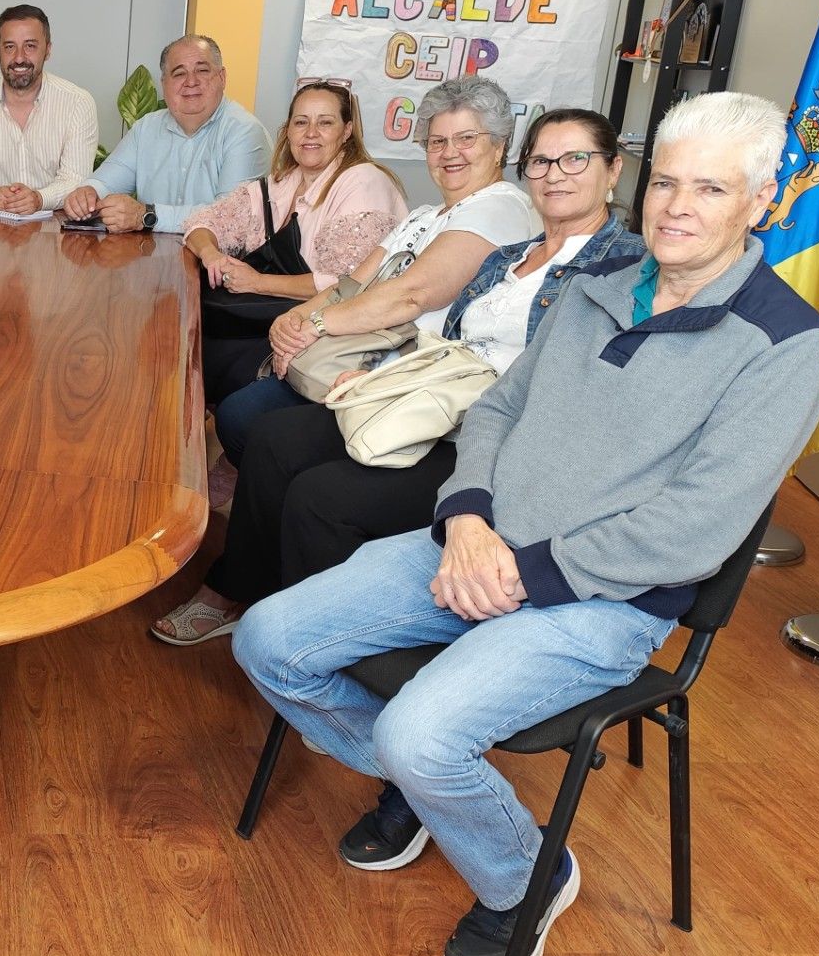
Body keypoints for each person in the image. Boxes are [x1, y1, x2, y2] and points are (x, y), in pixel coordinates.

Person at [231, 91, 819, 956]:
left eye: (710, 188)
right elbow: (496, 407)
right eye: (668, 182)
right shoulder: (591, 287)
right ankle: (429, 785)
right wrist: (467, 521)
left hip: (602, 601)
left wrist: (520, 573)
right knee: (267, 640)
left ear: (762, 200)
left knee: (422, 737)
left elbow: (694, 529)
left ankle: (526, 874)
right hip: (475, 546)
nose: (677, 206)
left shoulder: (784, 342)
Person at [155, 108, 641, 644]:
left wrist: (329, 336)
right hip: (434, 406)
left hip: (489, 441)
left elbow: (555, 389)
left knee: (319, 497)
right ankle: (250, 595)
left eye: (575, 159)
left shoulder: (618, 269)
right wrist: (377, 379)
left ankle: (322, 648)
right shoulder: (510, 256)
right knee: (271, 436)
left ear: (613, 169)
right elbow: (444, 345)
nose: (554, 174)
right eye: (543, 161)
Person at [212, 75, 537, 461]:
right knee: (238, 413)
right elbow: (351, 283)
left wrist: (314, 326)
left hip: (404, 384)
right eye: (437, 142)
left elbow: (411, 296)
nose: (450, 153)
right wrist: (292, 322)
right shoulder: (423, 216)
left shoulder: (500, 206)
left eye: (466, 139)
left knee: (263, 432)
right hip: (354, 356)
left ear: (499, 146)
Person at [183, 81, 407, 410]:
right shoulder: (281, 182)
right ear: (288, 131)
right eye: (301, 122)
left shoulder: (363, 181)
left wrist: (257, 282)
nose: (311, 132)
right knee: (190, 344)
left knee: (212, 365)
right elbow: (201, 223)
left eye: (325, 122)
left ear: (347, 131)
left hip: (333, 333)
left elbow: (348, 285)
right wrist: (212, 253)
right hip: (278, 317)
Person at [64, 35, 270, 234]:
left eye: (202, 70)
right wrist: (87, 195)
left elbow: (229, 218)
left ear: (222, 78)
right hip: (152, 258)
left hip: (219, 264)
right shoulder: (146, 128)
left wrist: (147, 216)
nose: (191, 81)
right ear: (164, 84)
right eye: (179, 73)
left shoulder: (244, 132)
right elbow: (105, 183)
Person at [0, 3, 100, 215]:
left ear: (48, 50)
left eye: (30, 46)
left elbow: (75, 178)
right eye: (9, 46)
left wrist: (38, 198)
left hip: (54, 227)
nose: (19, 58)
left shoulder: (78, 102)